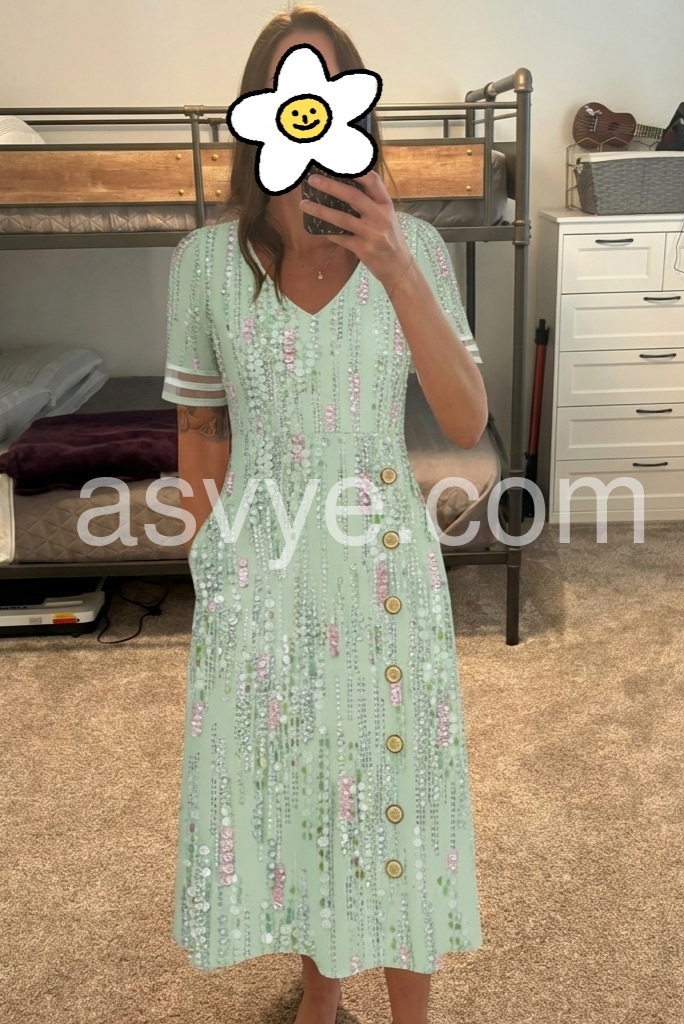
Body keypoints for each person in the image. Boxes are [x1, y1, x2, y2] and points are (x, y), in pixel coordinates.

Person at [161, 5, 489, 1024]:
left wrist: (394, 263)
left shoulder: (417, 248)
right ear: (254, 114)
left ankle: (410, 1015)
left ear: (353, 108)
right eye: (282, 90)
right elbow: (200, 428)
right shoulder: (205, 265)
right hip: (260, 560)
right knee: (302, 782)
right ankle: (320, 994)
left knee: (397, 776)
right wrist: (209, 561)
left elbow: (465, 420)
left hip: (382, 557)